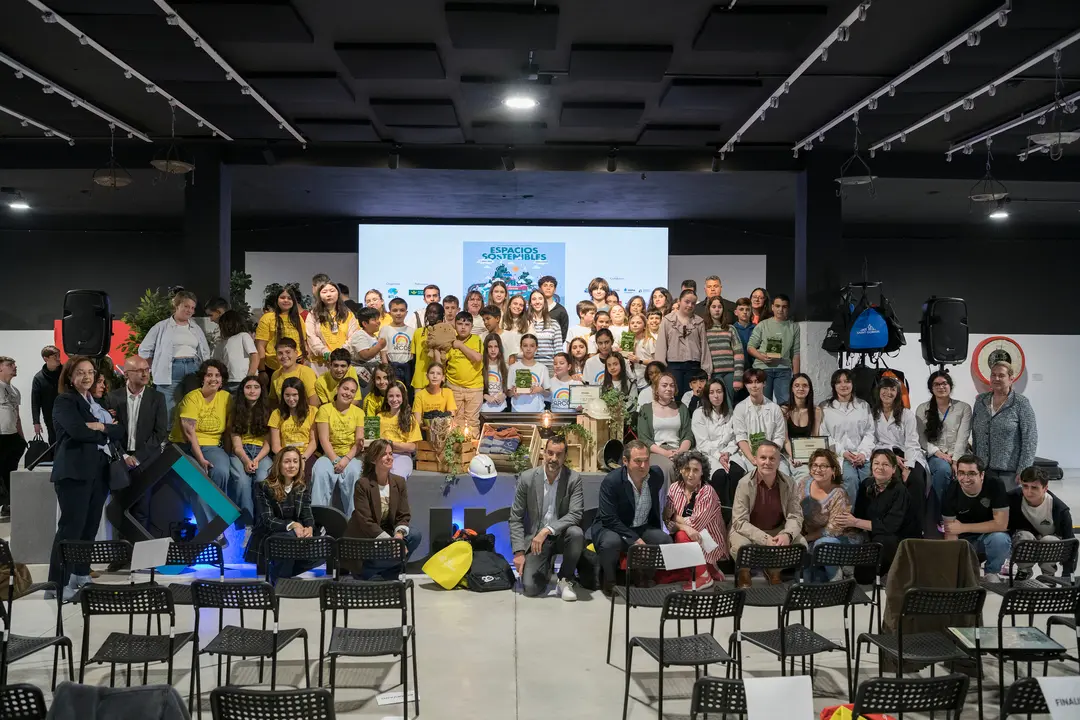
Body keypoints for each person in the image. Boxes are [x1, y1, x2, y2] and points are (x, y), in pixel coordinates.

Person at [46, 356, 126, 598]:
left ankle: (80, 575)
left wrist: (100, 427)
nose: (86, 376)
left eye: (90, 372)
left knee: (89, 527)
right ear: (70, 377)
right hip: (74, 473)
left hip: (99, 472)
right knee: (71, 529)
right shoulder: (64, 401)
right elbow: (78, 431)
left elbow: (119, 430)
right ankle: (57, 585)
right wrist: (104, 430)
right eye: (80, 372)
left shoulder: (96, 403)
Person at [103, 355, 168, 567]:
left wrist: (138, 457)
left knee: (142, 509)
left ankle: (139, 558)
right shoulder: (112, 398)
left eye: (147, 369)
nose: (144, 373)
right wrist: (123, 455)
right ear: (127, 374)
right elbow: (110, 431)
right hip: (119, 459)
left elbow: (159, 434)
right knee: (119, 508)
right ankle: (119, 557)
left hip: (146, 460)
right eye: (139, 370)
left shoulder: (157, 398)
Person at [510, 436, 585, 600]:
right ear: (544, 452)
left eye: (559, 454)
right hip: (537, 541)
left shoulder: (573, 479)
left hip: (561, 536)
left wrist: (547, 530)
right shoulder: (527, 478)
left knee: (576, 533)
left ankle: (565, 579)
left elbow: (576, 513)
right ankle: (547, 567)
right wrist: (519, 552)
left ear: (565, 456)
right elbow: (516, 518)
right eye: (550, 453)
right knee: (530, 588)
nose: (553, 459)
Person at [592, 440, 671, 595]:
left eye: (646, 460)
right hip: (612, 526)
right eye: (638, 461)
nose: (643, 466)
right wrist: (635, 539)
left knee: (664, 539)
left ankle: (642, 575)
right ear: (625, 461)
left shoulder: (656, 476)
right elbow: (608, 518)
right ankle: (610, 582)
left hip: (641, 525)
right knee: (611, 542)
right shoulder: (612, 481)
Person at [836, 449, 920, 584]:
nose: (880, 467)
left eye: (885, 464)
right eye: (876, 463)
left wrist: (855, 522)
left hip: (897, 539)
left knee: (865, 574)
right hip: (874, 534)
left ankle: (890, 574)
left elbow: (890, 526)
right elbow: (859, 513)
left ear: (893, 469)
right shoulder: (866, 484)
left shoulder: (899, 491)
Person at [729, 440, 805, 588]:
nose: (767, 462)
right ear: (756, 460)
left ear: (778, 462)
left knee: (801, 545)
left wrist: (787, 535)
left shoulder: (789, 483)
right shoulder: (744, 483)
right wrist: (764, 539)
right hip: (748, 530)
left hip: (777, 529)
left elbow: (795, 515)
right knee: (741, 547)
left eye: (772, 458)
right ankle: (744, 571)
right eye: (763, 458)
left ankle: (774, 569)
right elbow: (739, 521)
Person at [168, 359, 232, 533]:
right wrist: (201, 459)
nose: (213, 379)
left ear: (223, 380)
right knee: (199, 481)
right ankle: (214, 531)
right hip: (184, 447)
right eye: (209, 375)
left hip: (212, 446)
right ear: (202, 378)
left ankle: (214, 523)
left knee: (221, 471)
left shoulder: (226, 398)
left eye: (217, 375)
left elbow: (229, 429)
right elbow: (189, 432)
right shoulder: (192, 398)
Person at [344, 439, 422, 579]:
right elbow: (365, 522)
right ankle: (365, 569)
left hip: (388, 533)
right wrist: (392, 541)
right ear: (373, 460)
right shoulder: (363, 484)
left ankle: (388, 570)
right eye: (384, 454)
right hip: (368, 536)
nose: (389, 457)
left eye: (391, 453)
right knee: (394, 546)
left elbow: (403, 515)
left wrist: (398, 535)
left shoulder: (399, 482)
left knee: (414, 535)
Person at [245, 447, 318, 582]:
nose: (292, 465)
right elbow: (268, 520)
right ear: (279, 464)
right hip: (270, 534)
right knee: (288, 539)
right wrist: (293, 525)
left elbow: (307, 513)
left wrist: (309, 527)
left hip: (295, 535)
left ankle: (280, 575)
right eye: (287, 462)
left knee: (322, 546)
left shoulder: (302, 486)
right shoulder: (263, 486)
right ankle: (281, 580)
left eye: (295, 461)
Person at [138, 289, 211, 417]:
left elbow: (205, 351)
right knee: (168, 409)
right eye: (186, 306)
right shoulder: (161, 327)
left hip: (193, 369)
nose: (189, 310)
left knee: (192, 408)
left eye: (192, 308)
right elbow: (144, 350)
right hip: (170, 371)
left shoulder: (196, 328)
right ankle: (167, 436)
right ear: (177, 306)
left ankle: (188, 436)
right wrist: (153, 366)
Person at [663, 450, 728, 590]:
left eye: (695, 470)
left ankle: (703, 576)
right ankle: (709, 568)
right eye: (686, 469)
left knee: (681, 535)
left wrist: (675, 518)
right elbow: (666, 518)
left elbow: (696, 525)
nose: (690, 474)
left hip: (709, 541)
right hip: (689, 536)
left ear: (702, 472)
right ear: (680, 469)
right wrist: (683, 526)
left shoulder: (707, 492)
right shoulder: (674, 488)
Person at [872, 375, 929, 533]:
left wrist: (908, 467)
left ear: (898, 393)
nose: (888, 392)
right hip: (884, 454)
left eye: (892, 389)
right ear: (878, 391)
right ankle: (890, 526)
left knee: (915, 481)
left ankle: (916, 529)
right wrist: (891, 457)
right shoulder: (873, 414)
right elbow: (872, 441)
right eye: (884, 388)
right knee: (888, 482)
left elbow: (912, 442)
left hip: (908, 454)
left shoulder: (907, 414)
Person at [941, 454, 1010, 581]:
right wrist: (953, 566)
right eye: (961, 473)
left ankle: (992, 573)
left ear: (982, 475)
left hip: (988, 538)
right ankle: (967, 569)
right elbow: (950, 532)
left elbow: (1001, 524)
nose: (965, 478)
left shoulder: (995, 485)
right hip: (965, 542)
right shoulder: (951, 490)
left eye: (971, 473)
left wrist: (962, 527)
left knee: (1000, 539)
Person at [971, 360, 1038, 490]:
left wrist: (1024, 468)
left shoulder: (1021, 403)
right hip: (983, 469)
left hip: (1010, 472)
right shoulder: (980, 401)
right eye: (993, 375)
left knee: (1006, 508)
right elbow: (975, 435)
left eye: (1001, 375)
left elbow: (1030, 438)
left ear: (1011, 379)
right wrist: (975, 465)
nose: (996, 378)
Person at [798, 449, 856, 582]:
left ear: (833, 470)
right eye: (815, 465)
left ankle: (837, 579)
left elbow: (833, 529)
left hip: (835, 540)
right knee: (805, 580)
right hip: (808, 539)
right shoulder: (803, 483)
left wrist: (806, 538)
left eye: (823, 466)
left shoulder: (839, 493)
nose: (818, 469)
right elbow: (795, 511)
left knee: (824, 544)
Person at [1009, 466, 1076, 580]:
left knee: (1050, 540)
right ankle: (1024, 571)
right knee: (1024, 535)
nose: (1028, 492)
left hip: (1050, 544)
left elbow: (1071, 542)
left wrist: (1067, 574)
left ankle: (1048, 575)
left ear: (1045, 488)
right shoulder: (1012, 498)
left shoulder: (1060, 510)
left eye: (1034, 488)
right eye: (1025, 486)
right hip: (1025, 542)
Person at [916, 370, 973, 505]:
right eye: (936, 384)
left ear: (950, 386)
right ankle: (939, 513)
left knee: (972, 470)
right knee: (942, 469)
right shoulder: (923, 409)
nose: (941, 387)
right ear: (931, 388)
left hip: (959, 453)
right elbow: (921, 438)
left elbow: (963, 436)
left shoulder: (963, 408)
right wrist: (938, 453)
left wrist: (955, 460)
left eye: (944, 384)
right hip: (934, 454)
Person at [820, 369, 875, 503]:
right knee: (850, 480)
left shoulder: (863, 405)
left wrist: (862, 453)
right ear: (834, 386)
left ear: (853, 384)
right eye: (839, 382)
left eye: (847, 381)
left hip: (862, 455)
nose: (843, 385)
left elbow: (870, 432)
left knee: (870, 480)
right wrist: (842, 452)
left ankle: (868, 519)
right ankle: (850, 518)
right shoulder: (825, 407)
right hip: (839, 455)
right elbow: (824, 435)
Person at [312, 376, 364, 518]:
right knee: (320, 471)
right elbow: (324, 439)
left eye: (352, 391)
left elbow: (358, 442)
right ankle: (319, 519)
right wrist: (335, 460)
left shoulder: (359, 412)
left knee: (354, 473)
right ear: (338, 389)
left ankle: (353, 520)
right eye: (345, 388)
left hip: (352, 456)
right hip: (329, 454)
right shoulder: (325, 409)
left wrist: (345, 460)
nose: (348, 393)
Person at [228, 375, 272, 536]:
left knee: (261, 480)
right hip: (241, 453)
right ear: (242, 390)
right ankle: (248, 525)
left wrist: (257, 460)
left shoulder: (268, 411)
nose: (252, 390)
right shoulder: (236, 411)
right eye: (248, 387)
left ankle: (262, 523)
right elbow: (236, 443)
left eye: (256, 387)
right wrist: (246, 460)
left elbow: (268, 443)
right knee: (241, 481)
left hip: (261, 453)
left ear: (261, 390)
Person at [693, 378, 743, 504]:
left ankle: (735, 511)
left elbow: (734, 438)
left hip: (729, 453)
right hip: (709, 454)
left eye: (719, 392)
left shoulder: (731, 413)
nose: (716, 396)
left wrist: (728, 453)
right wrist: (718, 456)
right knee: (719, 475)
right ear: (707, 395)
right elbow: (702, 443)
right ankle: (720, 513)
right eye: (712, 392)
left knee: (737, 472)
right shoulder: (699, 414)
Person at [637, 372, 692, 484]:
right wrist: (665, 453)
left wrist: (680, 452)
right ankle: (668, 501)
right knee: (668, 467)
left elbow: (687, 435)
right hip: (656, 452)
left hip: (678, 450)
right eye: (664, 385)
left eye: (672, 385)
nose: (669, 388)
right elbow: (644, 439)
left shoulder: (682, 408)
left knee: (693, 467)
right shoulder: (646, 409)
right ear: (656, 388)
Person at [731, 368, 787, 475]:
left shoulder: (774, 408)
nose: (754, 386)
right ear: (746, 385)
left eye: (757, 382)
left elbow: (779, 436)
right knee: (755, 476)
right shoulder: (740, 408)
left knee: (784, 475)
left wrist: (769, 457)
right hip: (749, 455)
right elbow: (741, 437)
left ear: (764, 383)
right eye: (750, 382)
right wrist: (753, 459)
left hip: (772, 455)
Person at [654, 288, 709, 397]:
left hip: (694, 366)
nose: (690, 305)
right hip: (674, 366)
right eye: (687, 302)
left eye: (693, 303)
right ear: (679, 301)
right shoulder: (667, 320)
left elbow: (704, 347)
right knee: (675, 396)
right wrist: (660, 370)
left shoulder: (699, 322)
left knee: (693, 397)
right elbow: (661, 346)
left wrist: (706, 370)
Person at [746, 294, 799, 405]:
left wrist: (796, 377)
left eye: (784, 307)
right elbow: (750, 346)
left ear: (788, 308)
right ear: (772, 307)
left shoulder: (794, 327)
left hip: (784, 369)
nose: (780, 309)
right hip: (763, 368)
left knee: (785, 403)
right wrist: (761, 357)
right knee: (762, 403)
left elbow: (795, 352)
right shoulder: (763, 325)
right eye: (778, 306)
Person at [268, 377, 318, 475]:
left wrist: (302, 458)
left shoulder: (312, 411)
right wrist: (290, 459)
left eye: (295, 395)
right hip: (284, 455)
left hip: (306, 454)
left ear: (301, 395)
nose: (291, 399)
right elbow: (275, 445)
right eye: (287, 395)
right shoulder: (276, 414)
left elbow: (314, 441)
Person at [445, 311, 484, 436]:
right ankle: (458, 452)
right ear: (454, 325)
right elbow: (442, 361)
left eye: (467, 324)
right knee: (455, 422)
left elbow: (477, 358)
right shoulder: (450, 341)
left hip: (474, 388)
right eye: (460, 324)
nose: (463, 327)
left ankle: (471, 452)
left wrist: (460, 346)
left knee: (472, 422)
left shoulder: (476, 339)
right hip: (454, 387)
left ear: (471, 327)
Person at [255, 286, 308, 376]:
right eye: (282, 298)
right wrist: (262, 371)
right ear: (277, 300)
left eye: (289, 298)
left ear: (294, 301)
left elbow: (304, 342)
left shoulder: (298, 318)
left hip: (296, 366)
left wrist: (305, 361)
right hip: (272, 368)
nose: (286, 300)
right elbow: (260, 346)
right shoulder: (267, 318)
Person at [305, 280, 357, 368]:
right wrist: (326, 354)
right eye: (324, 292)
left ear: (338, 294)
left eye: (332, 291)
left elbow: (353, 335)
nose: (329, 294)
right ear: (320, 296)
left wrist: (340, 354)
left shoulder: (348, 314)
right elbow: (311, 337)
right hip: (320, 363)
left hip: (343, 361)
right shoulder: (313, 314)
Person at [702, 296, 744, 404]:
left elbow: (738, 354)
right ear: (709, 309)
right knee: (717, 402)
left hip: (730, 373)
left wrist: (738, 377)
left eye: (719, 307)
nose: (717, 309)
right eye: (714, 307)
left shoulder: (730, 328)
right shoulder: (704, 329)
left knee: (729, 402)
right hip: (713, 373)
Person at [782, 373, 822, 478]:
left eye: (805, 385)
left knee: (804, 476)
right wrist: (793, 456)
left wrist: (809, 458)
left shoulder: (816, 411)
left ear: (810, 389)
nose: (801, 388)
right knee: (782, 476)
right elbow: (785, 440)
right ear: (792, 388)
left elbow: (814, 437)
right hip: (787, 453)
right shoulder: (784, 410)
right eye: (797, 385)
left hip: (806, 455)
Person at [378, 383, 421, 478]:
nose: (394, 399)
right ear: (386, 398)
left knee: (396, 477)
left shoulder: (410, 419)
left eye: (398, 396)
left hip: (402, 456)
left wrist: (390, 443)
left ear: (403, 397)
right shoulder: (379, 417)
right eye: (391, 396)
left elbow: (412, 447)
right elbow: (374, 441)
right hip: (382, 455)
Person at [0, 357, 26, 516]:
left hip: (12, 437)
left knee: (10, 471)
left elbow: (17, 415)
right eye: (10, 365)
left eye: (14, 364)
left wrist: (21, 437)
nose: (14, 367)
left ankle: (8, 505)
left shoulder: (15, 391)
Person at [213, 310, 258, 393]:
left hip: (242, 380)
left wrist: (249, 377)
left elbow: (254, 356)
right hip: (227, 381)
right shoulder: (223, 342)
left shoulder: (244, 336)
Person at [269, 337, 319, 406]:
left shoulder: (306, 372)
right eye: (280, 353)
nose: (284, 356)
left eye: (288, 352)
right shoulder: (275, 375)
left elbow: (314, 402)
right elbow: (273, 401)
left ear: (296, 353)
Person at [410, 302, 446, 393]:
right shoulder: (418, 332)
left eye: (435, 313)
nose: (431, 315)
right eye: (429, 312)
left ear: (441, 315)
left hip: (438, 379)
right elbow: (414, 358)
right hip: (420, 379)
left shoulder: (447, 333)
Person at [345, 307, 386, 385]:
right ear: (365, 323)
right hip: (362, 374)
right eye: (374, 320)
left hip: (373, 371)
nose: (378, 322)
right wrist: (379, 346)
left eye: (378, 319)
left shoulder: (374, 336)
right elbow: (365, 355)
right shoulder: (360, 335)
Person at [508, 335, 549, 412]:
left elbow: (548, 393)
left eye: (532, 346)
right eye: (525, 345)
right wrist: (513, 392)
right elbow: (508, 392)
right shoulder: (513, 368)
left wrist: (540, 390)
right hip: (517, 411)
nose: (528, 349)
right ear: (521, 347)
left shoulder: (543, 368)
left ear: (536, 348)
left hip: (538, 411)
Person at [379, 297, 413, 386]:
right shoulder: (385, 329)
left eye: (402, 310)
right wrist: (387, 371)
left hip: (408, 368)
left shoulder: (412, 331)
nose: (398, 313)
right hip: (392, 367)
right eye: (395, 310)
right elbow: (383, 353)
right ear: (389, 313)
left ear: (406, 312)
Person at [31, 344, 62, 444]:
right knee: (54, 442)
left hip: (68, 412)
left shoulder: (66, 373)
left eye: (59, 355)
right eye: (55, 357)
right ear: (46, 358)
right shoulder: (38, 378)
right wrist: (36, 422)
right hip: (50, 416)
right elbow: (35, 402)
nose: (58, 359)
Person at [413, 364, 456, 432]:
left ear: (443, 378)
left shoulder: (448, 392)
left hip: (444, 430)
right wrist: (428, 428)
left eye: (438, 373)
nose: (435, 376)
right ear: (427, 376)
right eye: (432, 373)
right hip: (425, 431)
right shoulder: (420, 395)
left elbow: (451, 416)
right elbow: (417, 421)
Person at [527, 290, 561, 374]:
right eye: (534, 299)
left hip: (549, 369)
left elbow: (558, 350)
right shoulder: (524, 323)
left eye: (540, 299)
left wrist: (558, 370)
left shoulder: (554, 324)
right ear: (530, 303)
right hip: (527, 368)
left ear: (544, 302)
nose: (537, 302)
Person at [481, 334, 510, 414]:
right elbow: (475, 388)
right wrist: (486, 396)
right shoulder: (481, 366)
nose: (493, 350)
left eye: (496, 346)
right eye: (490, 347)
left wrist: (504, 395)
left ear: (499, 348)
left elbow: (508, 388)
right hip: (484, 409)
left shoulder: (505, 367)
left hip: (502, 409)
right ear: (486, 348)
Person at [538, 275, 569, 341]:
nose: (548, 288)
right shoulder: (534, 309)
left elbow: (563, 335)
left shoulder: (561, 310)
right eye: (545, 285)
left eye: (551, 286)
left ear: (554, 290)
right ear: (540, 289)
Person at [626, 312, 651, 390]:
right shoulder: (627, 341)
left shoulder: (649, 341)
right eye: (632, 323)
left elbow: (657, 361)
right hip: (632, 381)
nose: (635, 325)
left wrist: (639, 360)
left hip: (646, 381)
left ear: (644, 326)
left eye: (638, 323)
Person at [500, 294, 528, 363]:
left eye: (521, 305)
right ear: (509, 305)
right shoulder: (501, 321)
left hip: (522, 362)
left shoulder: (528, 323)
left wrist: (515, 355)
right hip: (503, 362)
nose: (518, 307)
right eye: (515, 304)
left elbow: (531, 345)